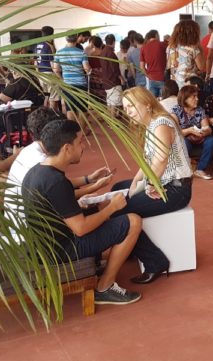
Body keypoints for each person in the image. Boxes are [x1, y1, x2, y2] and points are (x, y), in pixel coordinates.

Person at [21, 119, 142, 305]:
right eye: (80, 142)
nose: (83, 147)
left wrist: (90, 186)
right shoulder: (56, 182)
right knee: (133, 221)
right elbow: (81, 229)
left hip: (44, 246)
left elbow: (60, 202)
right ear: (67, 148)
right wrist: (113, 207)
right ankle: (105, 287)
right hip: (60, 251)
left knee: (98, 207)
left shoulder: (37, 172)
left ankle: (102, 264)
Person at [113, 87, 193, 283]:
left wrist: (150, 185)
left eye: (132, 106)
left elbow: (161, 160)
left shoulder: (161, 124)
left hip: (175, 189)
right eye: (125, 107)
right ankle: (130, 243)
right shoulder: (151, 125)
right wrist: (135, 183)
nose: (128, 111)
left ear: (147, 105)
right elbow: (148, 163)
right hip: (163, 182)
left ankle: (155, 262)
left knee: (119, 213)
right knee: (117, 189)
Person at [4, 107, 113, 224]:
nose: (83, 146)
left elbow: (58, 186)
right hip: (31, 225)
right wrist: (95, 187)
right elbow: (59, 191)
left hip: (29, 219)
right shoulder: (42, 162)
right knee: (108, 210)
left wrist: (88, 179)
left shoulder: (33, 150)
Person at [172, 84, 213, 180]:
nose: (197, 99)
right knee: (183, 141)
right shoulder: (176, 110)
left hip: (199, 138)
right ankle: (183, 169)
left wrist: (204, 131)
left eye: (197, 96)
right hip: (185, 138)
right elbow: (174, 132)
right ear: (185, 99)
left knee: (211, 139)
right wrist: (189, 131)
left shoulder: (200, 110)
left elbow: (207, 128)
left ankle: (200, 169)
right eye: (194, 97)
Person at [53, 34, 90, 122]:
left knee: (70, 108)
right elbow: (87, 69)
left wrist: (62, 80)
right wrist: (89, 71)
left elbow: (56, 70)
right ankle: (82, 130)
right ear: (76, 39)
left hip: (67, 84)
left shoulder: (59, 52)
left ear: (66, 39)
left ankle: (73, 129)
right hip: (81, 84)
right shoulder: (81, 52)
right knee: (83, 109)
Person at [167, 19, 205, 87]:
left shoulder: (171, 47)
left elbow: (169, 65)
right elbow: (202, 67)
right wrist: (200, 48)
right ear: (193, 33)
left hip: (175, 83)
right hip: (189, 84)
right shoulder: (193, 48)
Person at [99, 34, 125, 117]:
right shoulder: (111, 53)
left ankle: (109, 120)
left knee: (110, 102)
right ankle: (113, 121)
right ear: (114, 42)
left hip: (106, 81)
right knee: (114, 103)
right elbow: (115, 69)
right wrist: (121, 79)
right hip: (113, 81)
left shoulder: (103, 52)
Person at [34, 26, 59, 111]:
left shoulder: (37, 45)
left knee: (46, 96)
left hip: (41, 74)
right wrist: (59, 77)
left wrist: (38, 75)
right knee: (53, 98)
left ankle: (45, 115)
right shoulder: (49, 46)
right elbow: (53, 65)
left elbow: (35, 63)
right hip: (50, 74)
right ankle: (52, 116)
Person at [140, 30, 167, 97]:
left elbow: (142, 67)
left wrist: (148, 76)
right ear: (156, 35)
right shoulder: (163, 44)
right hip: (163, 77)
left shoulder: (143, 48)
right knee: (164, 100)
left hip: (151, 79)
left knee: (154, 101)